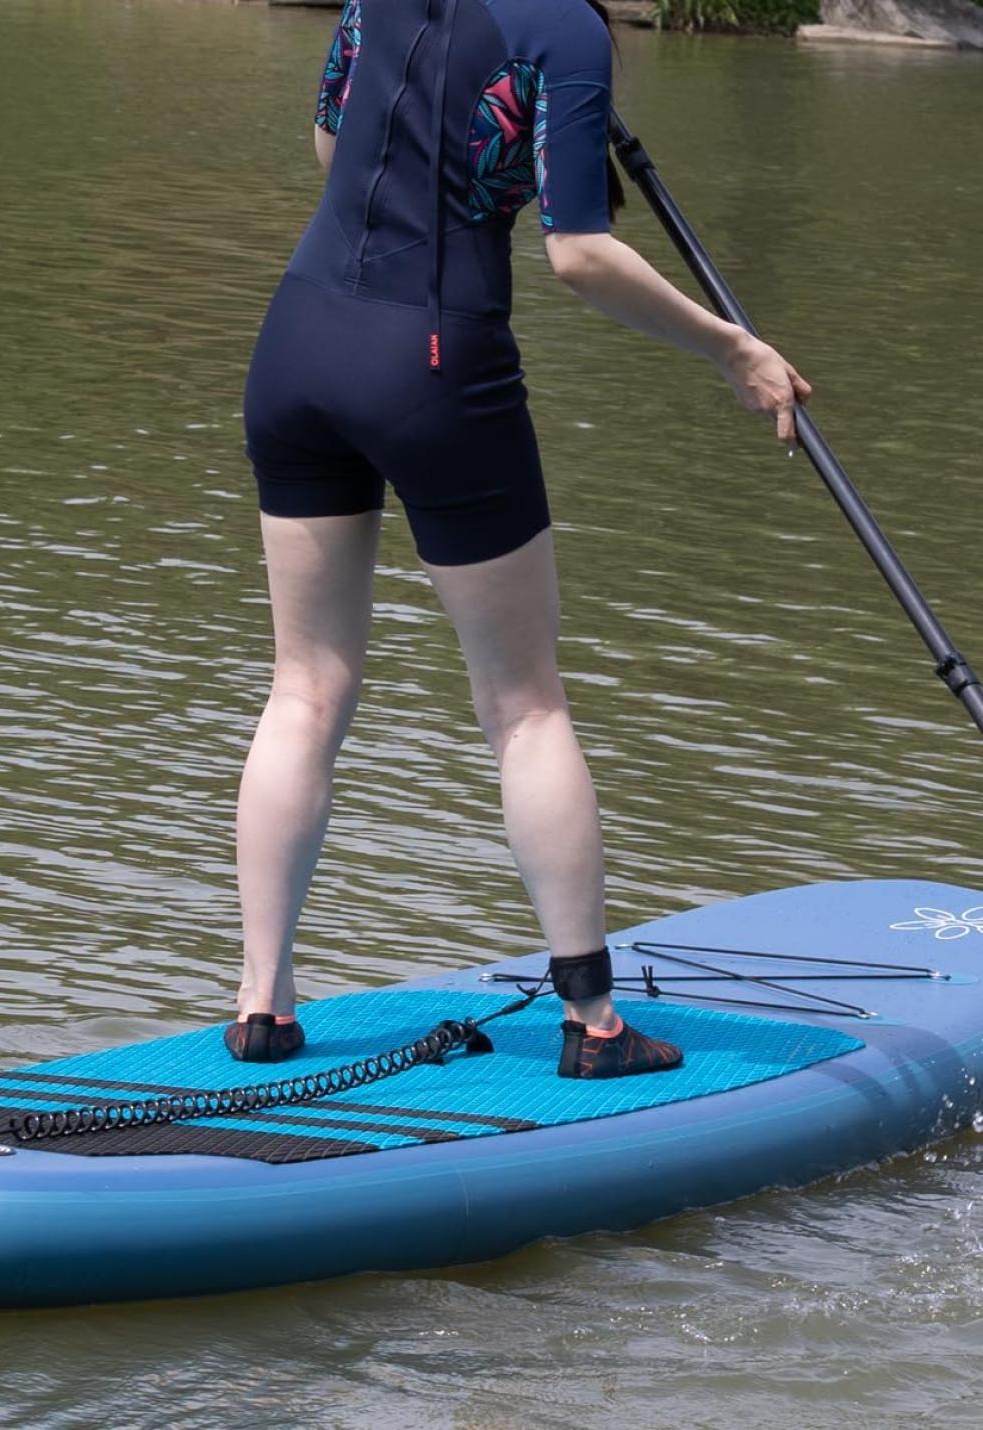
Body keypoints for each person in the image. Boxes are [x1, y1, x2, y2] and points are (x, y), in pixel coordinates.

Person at [226, 0, 810, 1075]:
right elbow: (579, 253)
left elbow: (330, 141)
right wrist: (731, 347)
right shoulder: (564, 30)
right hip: (436, 363)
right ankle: (591, 1022)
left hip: (296, 342)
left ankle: (262, 1006)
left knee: (303, 687)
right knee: (524, 702)